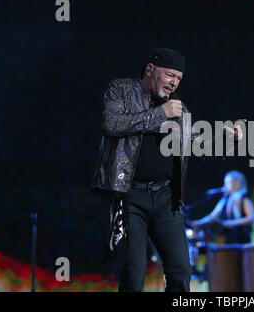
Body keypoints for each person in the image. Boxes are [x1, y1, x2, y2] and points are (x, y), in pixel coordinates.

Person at [91, 48, 243, 292]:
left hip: (166, 198)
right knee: (133, 274)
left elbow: (195, 147)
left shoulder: (178, 110)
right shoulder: (121, 90)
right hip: (130, 196)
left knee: (181, 272)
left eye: (179, 79)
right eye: (170, 75)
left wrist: (227, 140)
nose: (174, 83)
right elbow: (112, 124)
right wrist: (160, 114)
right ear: (150, 69)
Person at [189, 170, 254, 244]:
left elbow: (251, 217)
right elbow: (212, 216)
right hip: (230, 237)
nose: (225, 185)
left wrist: (233, 223)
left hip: (242, 238)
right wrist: (199, 222)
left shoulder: (243, 198)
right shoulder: (225, 199)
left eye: (228, 182)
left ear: (237, 183)